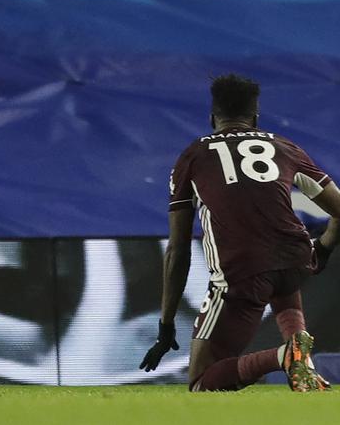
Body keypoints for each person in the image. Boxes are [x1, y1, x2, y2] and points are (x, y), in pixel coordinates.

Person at [141, 73, 340, 392]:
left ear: (212, 118)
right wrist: (325, 251)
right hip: (296, 260)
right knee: (284, 275)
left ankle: (284, 356)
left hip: (242, 272)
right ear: (256, 118)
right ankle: (304, 366)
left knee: (201, 381)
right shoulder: (284, 147)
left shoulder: (193, 156)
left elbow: (178, 250)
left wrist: (166, 325)